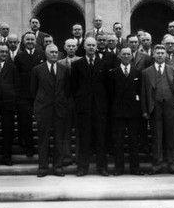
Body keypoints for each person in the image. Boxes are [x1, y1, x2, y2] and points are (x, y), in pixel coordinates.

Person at [70, 37, 110, 176]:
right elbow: (73, 87)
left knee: (100, 138)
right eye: (89, 45)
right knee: (84, 138)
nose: (92, 47)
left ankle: (102, 167)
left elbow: (107, 87)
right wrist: (79, 102)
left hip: (100, 107)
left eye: (94, 45)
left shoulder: (103, 64)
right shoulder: (77, 64)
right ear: (84, 47)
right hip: (83, 107)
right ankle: (82, 167)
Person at [31, 44, 70, 177]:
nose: (54, 54)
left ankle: (58, 166)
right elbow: (33, 90)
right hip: (43, 109)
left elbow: (66, 90)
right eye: (51, 52)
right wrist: (37, 108)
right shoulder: (37, 70)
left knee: (59, 138)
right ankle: (42, 167)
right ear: (46, 54)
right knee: (43, 138)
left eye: (56, 52)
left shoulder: (64, 69)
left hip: (59, 109)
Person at [141, 44, 174, 175]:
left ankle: (172, 165)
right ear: (153, 54)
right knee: (156, 138)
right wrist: (145, 110)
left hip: (170, 106)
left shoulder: (173, 70)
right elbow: (144, 93)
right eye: (157, 53)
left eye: (162, 53)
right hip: (155, 107)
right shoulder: (146, 72)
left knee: (171, 137)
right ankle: (157, 165)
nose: (160, 55)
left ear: (165, 55)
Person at [108, 47, 144, 176]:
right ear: (119, 56)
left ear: (131, 56)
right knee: (119, 141)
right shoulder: (113, 73)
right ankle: (119, 168)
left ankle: (135, 168)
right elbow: (110, 94)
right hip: (119, 112)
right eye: (124, 54)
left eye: (129, 54)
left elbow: (140, 92)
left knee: (134, 140)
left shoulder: (137, 73)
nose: (127, 56)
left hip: (133, 112)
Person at [14, 32, 46, 157]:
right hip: (24, 94)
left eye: (32, 39)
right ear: (23, 41)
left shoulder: (42, 54)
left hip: (41, 93)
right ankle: (29, 147)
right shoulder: (19, 57)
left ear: (36, 41)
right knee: (26, 122)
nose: (30, 41)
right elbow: (17, 77)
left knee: (42, 122)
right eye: (27, 39)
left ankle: (44, 146)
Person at [58, 39, 82, 165]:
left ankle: (79, 156)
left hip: (79, 101)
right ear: (65, 48)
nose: (71, 48)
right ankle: (66, 156)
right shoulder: (59, 63)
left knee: (80, 130)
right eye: (69, 46)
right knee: (65, 130)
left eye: (73, 46)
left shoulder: (82, 62)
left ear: (77, 47)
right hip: (65, 101)